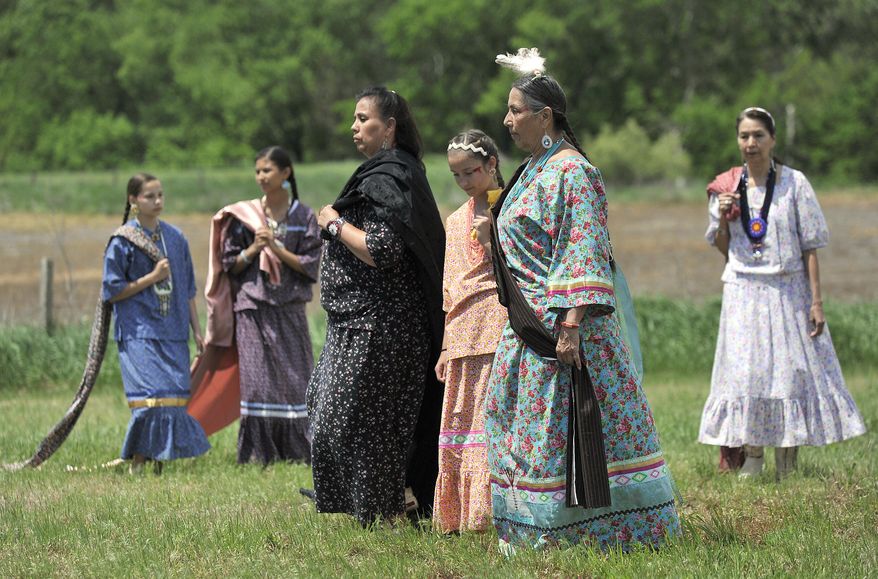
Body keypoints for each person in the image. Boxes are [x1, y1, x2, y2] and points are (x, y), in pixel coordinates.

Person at [486, 48, 680, 554]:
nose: (507, 120)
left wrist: (570, 324)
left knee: (575, 432)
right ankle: (530, 533)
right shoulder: (533, 168)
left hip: (567, 337)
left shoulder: (572, 172)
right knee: (529, 431)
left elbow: (584, 249)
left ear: (545, 116)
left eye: (515, 110)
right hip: (528, 334)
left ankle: (594, 533)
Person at [698, 107, 866, 478]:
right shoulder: (727, 187)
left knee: (788, 374)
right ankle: (753, 456)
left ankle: (787, 462)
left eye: (758, 135)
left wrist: (816, 301)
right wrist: (723, 217)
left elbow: (810, 247)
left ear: (773, 140)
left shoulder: (794, 183)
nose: (751, 143)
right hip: (743, 290)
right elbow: (724, 249)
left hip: (787, 290)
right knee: (747, 374)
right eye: (744, 136)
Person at [308, 86, 446, 526]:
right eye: (353, 118)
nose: (354, 126)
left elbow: (382, 249)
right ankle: (385, 506)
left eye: (363, 118)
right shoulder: (383, 174)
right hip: (358, 322)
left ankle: (387, 511)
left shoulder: (393, 178)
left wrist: (333, 224)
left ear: (389, 128)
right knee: (331, 412)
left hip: (384, 326)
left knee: (364, 424)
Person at [196, 146, 322, 465]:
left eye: (267, 170)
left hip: (290, 308)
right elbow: (230, 265)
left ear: (286, 173)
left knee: (296, 379)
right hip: (251, 307)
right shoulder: (244, 218)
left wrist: (276, 249)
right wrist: (254, 248)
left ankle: (298, 451)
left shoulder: (303, 216)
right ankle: (257, 453)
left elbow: (310, 265)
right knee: (256, 382)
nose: (261, 177)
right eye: (258, 171)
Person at [102, 173, 210, 473]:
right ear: (133, 200)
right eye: (150, 196)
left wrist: (197, 330)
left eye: (160, 194)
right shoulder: (123, 241)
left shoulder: (175, 238)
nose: (158, 201)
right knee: (150, 398)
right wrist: (151, 278)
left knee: (173, 398)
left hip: (174, 331)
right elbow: (111, 290)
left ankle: (160, 461)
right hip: (139, 332)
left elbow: (187, 289)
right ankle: (138, 462)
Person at [433, 130, 507, 533]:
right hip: (461, 329)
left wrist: (493, 238)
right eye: (456, 175)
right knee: (462, 419)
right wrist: (445, 346)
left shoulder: (511, 206)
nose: (464, 182)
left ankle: (492, 513)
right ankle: (460, 516)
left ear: (492, 164)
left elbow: (525, 272)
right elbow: (449, 288)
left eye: (471, 172)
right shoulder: (455, 219)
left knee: (490, 415)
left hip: (497, 323)